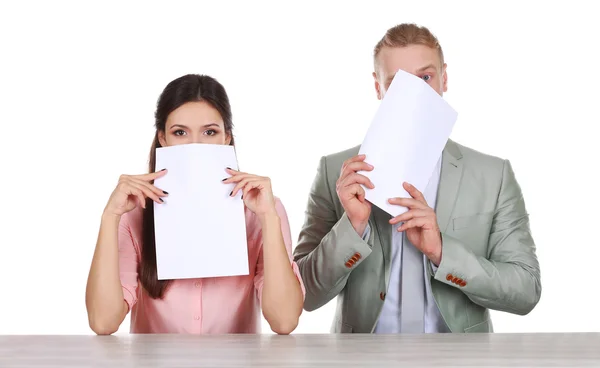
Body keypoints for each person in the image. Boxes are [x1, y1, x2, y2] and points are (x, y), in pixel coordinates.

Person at [293, 23, 541, 333]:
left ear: (444, 78)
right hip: (362, 359)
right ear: (378, 87)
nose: (415, 93)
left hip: (460, 360)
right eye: (397, 83)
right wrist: (352, 227)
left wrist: (442, 252)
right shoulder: (336, 171)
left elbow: (526, 292)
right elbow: (302, 295)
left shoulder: (493, 176)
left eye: (425, 77)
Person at [86, 74, 305, 335]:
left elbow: (284, 321)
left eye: (210, 132)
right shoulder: (133, 212)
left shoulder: (261, 209)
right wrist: (110, 216)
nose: (195, 145)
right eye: (180, 132)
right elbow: (103, 321)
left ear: (226, 138)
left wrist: (269, 218)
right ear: (163, 139)